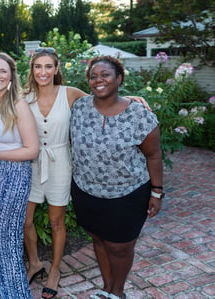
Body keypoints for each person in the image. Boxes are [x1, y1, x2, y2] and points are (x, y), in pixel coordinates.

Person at [23, 48, 150, 299]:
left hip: (60, 163)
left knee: (56, 221)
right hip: (32, 163)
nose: (43, 72)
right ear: (32, 70)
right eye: (38, 66)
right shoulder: (24, 96)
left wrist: (131, 98)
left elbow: (102, 98)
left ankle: (55, 271)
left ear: (57, 69)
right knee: (25, 221)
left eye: (49, 66)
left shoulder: (70, 94)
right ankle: (35, 263)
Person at [70, 56, 163, 299]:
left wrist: (157, 191)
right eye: (93, 76)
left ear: (119, 78)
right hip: (86, 191)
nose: (98, 80)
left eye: (105, 75)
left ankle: (118, 292)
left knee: (119, 247)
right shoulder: (79, 107)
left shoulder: (139, 115)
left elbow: (153, 156)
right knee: (99, 240)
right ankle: (107, 289)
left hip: (127, 194)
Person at [0, 52, 39, 299]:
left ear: (12, 76)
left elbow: (32, 149)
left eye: (3, 71)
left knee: (7, 241)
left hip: (13, 174)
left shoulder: (19, 105)